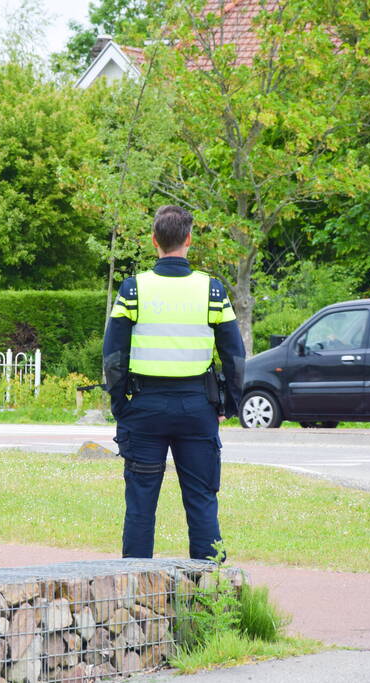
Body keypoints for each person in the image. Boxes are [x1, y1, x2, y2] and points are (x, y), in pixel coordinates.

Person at [102, 205, 245, 561]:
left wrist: (121, 405)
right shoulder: (211, 291)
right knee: (201, 501)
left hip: (145, 408)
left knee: (140, 505)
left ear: (155, 241)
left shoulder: (133, 290)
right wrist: (229, 403)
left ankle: (133, 595)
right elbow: (235, 355)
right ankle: (210, 597)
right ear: (188, 240)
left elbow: (113, 355)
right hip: (197, 408)